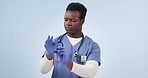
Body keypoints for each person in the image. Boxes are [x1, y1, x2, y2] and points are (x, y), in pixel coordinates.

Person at [40, 2, 101, 78]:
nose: (68, 23)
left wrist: (68, 63)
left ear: (82, 21)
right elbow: (43, 70)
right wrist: (49, 55)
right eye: (66, 19)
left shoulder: (92, 46)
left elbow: (90, 73)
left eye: (73, 20)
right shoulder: (56, 42)